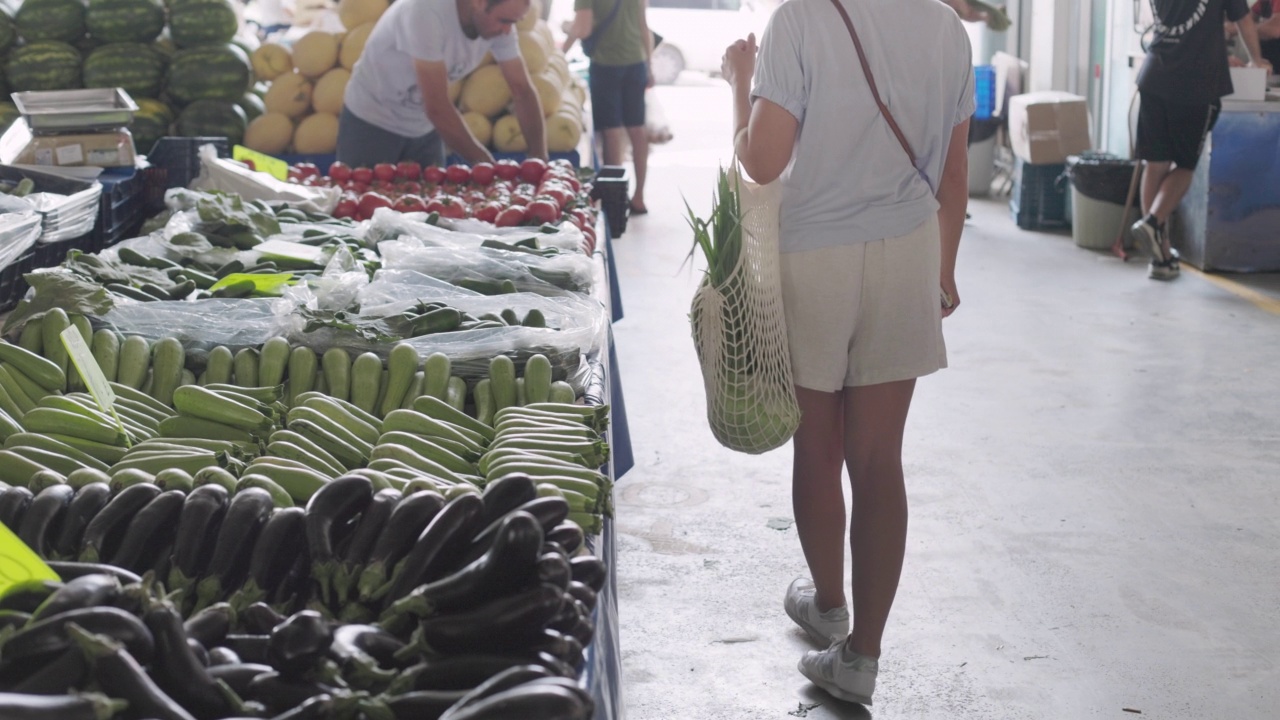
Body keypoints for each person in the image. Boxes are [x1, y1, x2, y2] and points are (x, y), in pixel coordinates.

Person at [721, 0, 972, 706]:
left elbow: (763, 163)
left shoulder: (798, 19)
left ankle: (828, 603)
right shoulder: (947, 27)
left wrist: (740, 82)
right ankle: (861, 656)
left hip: (816, 257)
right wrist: (943, 271)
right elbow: (955, 176)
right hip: (909, 251)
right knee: (878, 459)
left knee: (819, 450)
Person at [1130, 0, 1271, 280]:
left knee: (1156, 164)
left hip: (1155, 75)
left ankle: (1160, 256)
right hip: (1194, 83)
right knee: (1185, 165)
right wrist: (1257, 60)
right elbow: (1243, 20)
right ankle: (1153, 221)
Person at [337, 0, 548, 168]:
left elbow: (522, 91)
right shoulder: (426, 11)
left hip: (423, 128)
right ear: (479, 2)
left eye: (513, 23)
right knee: (365, 211)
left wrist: (539, 159)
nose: (507, 31)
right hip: (371, 122)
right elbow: (437, 107)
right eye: (504, 21)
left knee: (429, 213)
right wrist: (487, 166)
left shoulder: (499, 24)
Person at [562, 0, 653, 215]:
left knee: (612, 132)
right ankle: (639, 197)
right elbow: (643, 25)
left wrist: (562, 45)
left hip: (606, 64)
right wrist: (649, 65)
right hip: (636, 62)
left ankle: (615, 203)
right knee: (637, 129)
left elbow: (582, 29)